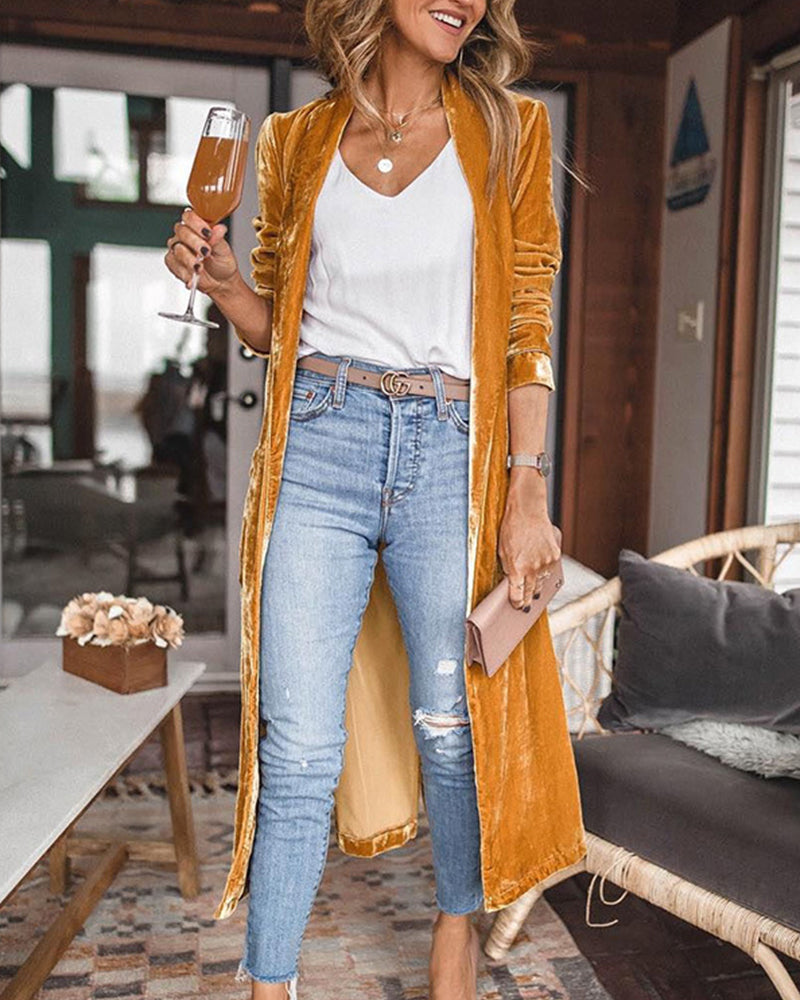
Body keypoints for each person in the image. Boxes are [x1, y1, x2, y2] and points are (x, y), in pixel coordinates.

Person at [164, 1, 584, 997]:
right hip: (319, 441)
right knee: (299, 745)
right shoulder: (295, 139)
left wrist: (526, 487)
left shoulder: (510, 132)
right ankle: (270, 983)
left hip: (448, 449)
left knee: (451, 724)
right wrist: (224, 285)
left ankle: (454, 923)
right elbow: (278, 322)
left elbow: (526, 323)